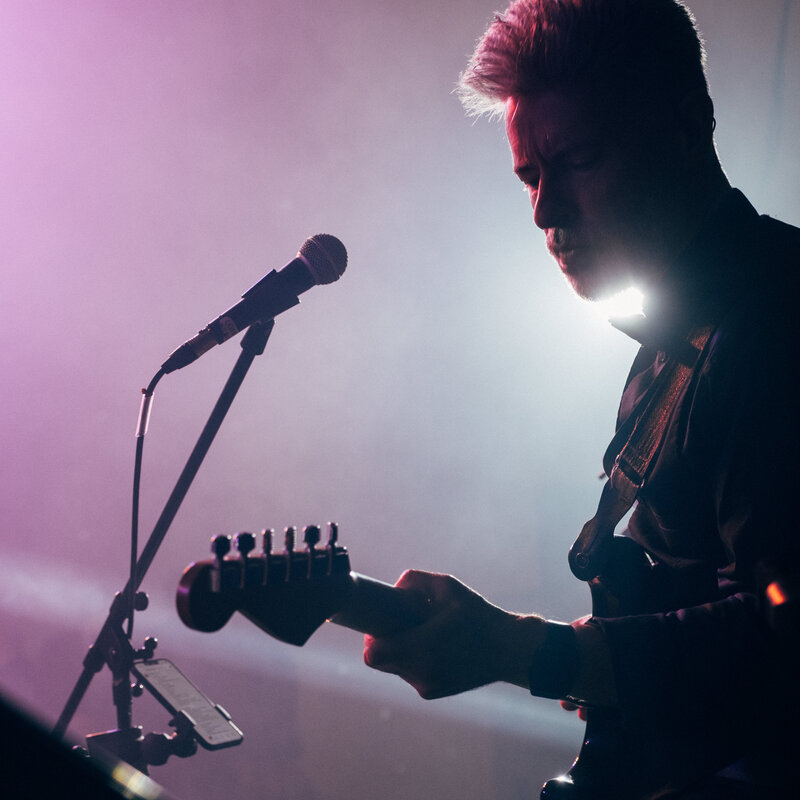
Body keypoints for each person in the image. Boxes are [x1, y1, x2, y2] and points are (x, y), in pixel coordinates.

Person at [362, 1, 799, 797]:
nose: (544, 211)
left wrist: (525, 650)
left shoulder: (777, 322)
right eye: (530, 176)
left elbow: (780, 635)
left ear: (686, 125)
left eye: (579, 160)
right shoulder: (670, 352)